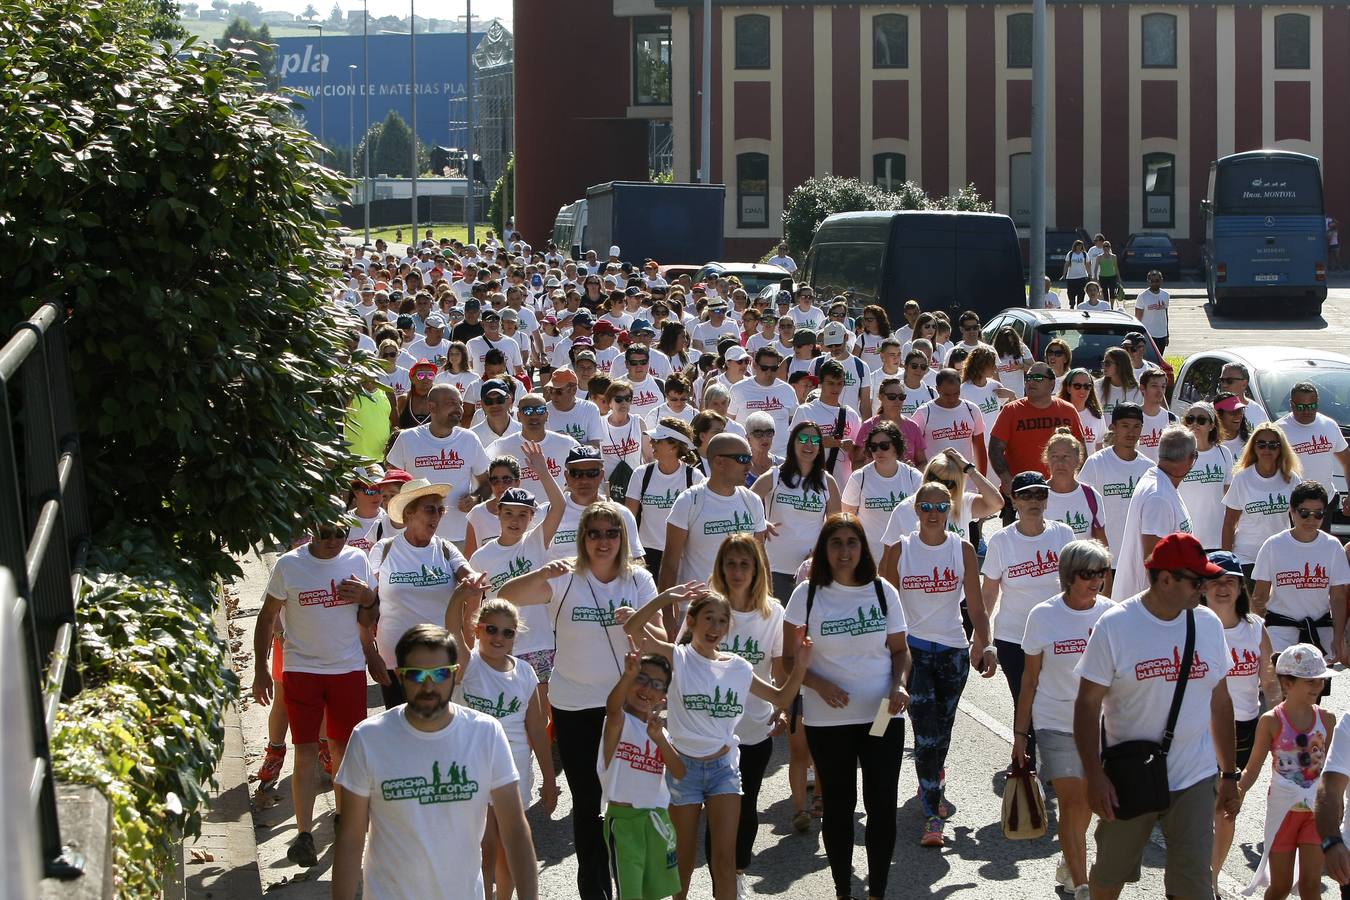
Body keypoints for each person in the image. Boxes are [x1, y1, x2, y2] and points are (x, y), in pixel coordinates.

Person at [498, 501, 662, 900]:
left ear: (623, 537)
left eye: (612, 533)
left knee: (626, 805)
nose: (603, 541)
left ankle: (633, 890)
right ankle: (594, 892)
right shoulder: (565, 576)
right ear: (582, 537)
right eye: (594, 533)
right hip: (574, 707)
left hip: (629, 708)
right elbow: (505, 596)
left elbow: (660, 643)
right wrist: (541, 572)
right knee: (588, 805)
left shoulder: (638, 580)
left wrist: (636, 623)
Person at [1072, 533, 1239, 900]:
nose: (1204, 589)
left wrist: (1228, 773)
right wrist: (1095, 776)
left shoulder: (1207, 624)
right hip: (1130, 775)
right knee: (1110, 878)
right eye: (1197, 581)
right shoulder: (1116, 625)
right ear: (1165, 579)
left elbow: (1220, 701)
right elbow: (1086, 706)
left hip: (1195, 776)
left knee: (1193, 888)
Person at [622, 586, 810, 900]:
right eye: (708, 619)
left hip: (724, 768)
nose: (715, 627)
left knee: (725, 860)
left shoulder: (738, 667)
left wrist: (801, 664)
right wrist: (668, 598)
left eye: (722, 621)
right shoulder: (678, 657)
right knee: (681, 861)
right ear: (692, 622)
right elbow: (632, 628)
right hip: (684, 769)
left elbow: (781, 697)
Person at [331, 624, 537, 900]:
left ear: (455, 674)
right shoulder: (369, 738)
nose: (428, 686)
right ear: (400, 677)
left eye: (439, 674)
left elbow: (514, 829)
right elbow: (351, 837)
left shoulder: (485, 733)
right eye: (417, 675)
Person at [783, 514, 912, 895]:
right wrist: (819, 684)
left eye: (851, 542)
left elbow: (901, 651)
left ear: (862, 547)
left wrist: (899, 685)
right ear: (824, 549)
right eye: (835, 542)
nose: (844, 551)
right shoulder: (806, 595)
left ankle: (877, 891)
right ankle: (843, 890)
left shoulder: (882, 590)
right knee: (839, 808)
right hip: (828, 721)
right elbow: (789, 662)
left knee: (881, 805)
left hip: (880, 716)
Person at [252, 514, 375, 868]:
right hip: (302, 669)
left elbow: (369, 617)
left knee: (343, 749)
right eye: (325, 533)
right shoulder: (290, 565)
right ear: (312, 532)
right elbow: (266, 615)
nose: (334, 540)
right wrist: (261, 670)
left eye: (341, 533)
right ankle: (304, 834)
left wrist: (367, 599)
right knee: (304, 750)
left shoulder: (357, 559)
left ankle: (342, 817)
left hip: (347, 669)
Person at [890, 483, 996, 847]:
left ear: (950, 511)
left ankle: (932, 778)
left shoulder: (962, 548)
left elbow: (976, 607)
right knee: (926, 733)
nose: (933, 513)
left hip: (952, 652)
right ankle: (933, 815)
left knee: (943, 731)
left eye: (940, 506)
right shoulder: (899, 549)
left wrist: (987, 644)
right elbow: (885, 605)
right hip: (914, 653)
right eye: (926, 506)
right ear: (915, 509)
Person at [1012, 539, 1115, 900]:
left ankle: (1071, 858)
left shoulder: (1112, 613)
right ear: (1068, 576)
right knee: (1072, 801)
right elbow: (1030, 679)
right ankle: (1082, 884)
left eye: (1100, 573)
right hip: (1054, 719)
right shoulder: (1042, 615)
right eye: (1087, 574)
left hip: (1102, 724)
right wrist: (1020, 734)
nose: (1095, 581)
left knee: (1088, 802)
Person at [443, 595, 558, 900]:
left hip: (513, 769)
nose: (499, 637)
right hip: (472, 769)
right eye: (491, 629)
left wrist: (549, 779)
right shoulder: (466, 665)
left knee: (509, 850)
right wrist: (460, 594)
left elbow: (537, 727)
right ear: (478, 630)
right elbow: (452, 626)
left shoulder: (525, 672)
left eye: (508, 632)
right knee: (485, 846)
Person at [699, 535, 790, 890]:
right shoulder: (706, 606)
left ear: (758, 570)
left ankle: (735, 873)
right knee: (716, 810)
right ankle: (718, 882)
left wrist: (783, 709)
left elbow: (779, 670)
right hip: (709, 729)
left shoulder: (773, 613)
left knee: (745, 803)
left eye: (745, 565)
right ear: (720, 568)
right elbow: (683, 659)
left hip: (754, 727)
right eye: (730, 564)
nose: (737, 572)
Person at [981, 471, 1075, 769]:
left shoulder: (1064, 535)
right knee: (1025, 697)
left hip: (1057, 636)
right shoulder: (1001, 541)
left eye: (1040, 495)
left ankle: (1053, 757)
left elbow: (1074, 587)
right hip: (1013, 637)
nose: (1034, 501)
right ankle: (1027, 761)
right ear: (1014, 500)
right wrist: (981, 640)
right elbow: (990, 591)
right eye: (1026, 495)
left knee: (1056, 698)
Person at [368, 479, 485, 707]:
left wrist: (472, 580)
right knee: (400, 728)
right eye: (429, 509)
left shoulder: (445, 548)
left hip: (440, 657)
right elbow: (371, 600)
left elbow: (467, 573)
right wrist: (370, 654)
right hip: (395, 658)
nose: (437, 515)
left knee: (439, 725)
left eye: (440, 510)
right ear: (409, 513)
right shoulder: (383, 549)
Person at [1205, 549, 1280, 898]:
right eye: (1216, 581)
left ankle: (1212, 877)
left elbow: (1269, 681)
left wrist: (1282, 723)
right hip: (1202, 730)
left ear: (1240, 588)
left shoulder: (1255, 628)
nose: (1224, 588)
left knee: (1228, 809)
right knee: (1198, 806)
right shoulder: (1193, 625)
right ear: (1203, 587)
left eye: (1231, 582)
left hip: (1245, 729)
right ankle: (1195, 873)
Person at [1237, 644, 1337, 899]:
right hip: (1282, 812)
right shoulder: (1271, 721)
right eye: (1309, 681)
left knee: (1311, 885)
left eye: (1320, 680)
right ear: (1287, 683)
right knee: (1280, 887)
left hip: (1316, 813)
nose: (1317, 686)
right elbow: (1254, 765)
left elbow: (1331, 770)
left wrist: (1337, 805)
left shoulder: (1327, 719)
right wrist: (1236, 792)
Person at [598, 644, 684, 900]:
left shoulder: (660, 732)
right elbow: (612, 708)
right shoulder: (618, 722)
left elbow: (680, 771)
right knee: (630, 894)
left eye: (657, 685)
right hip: (623, 823)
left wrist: (660, 740)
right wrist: (627, 674)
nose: (647, 689)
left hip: (655, 820)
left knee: (653, 893)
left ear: (663, 697)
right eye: (641, 679)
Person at [659, 433, 768, 631]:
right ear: (719, 462)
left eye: (750, 459)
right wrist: (667, 616)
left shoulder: (752, 501)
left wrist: (764, 605)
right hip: (698, 613)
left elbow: (760, 562)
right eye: (743, 459)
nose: (749, 466)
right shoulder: (688, 501)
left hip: (742, 613)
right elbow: (669, 565)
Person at [385, 384, 490, 551]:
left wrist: (476, 499)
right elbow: (390, 486)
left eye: (461, 404)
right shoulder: (407, 439)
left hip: (460, 536)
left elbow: (487, 484)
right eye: (452, 403)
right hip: (416, 538)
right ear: (432, 407)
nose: (459, 409)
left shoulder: (470, 439)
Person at [1252, 481, 1350, 659]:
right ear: (1292, 510)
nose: (1311, 520)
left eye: (1318, 514)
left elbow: (1338, 597)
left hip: (1320, 635)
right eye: (1305, 513)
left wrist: (1338, 637)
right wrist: (1253, 638)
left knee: (1317, 687)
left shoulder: (1333, 546)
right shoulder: (1273, 545)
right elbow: (1259, 596)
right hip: (1280, 636)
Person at [751, 421, 842, 602]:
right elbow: (743, 504)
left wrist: (821, 553)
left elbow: (836, 528)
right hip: (774, 569)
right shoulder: (774, 476)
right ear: (792, 443)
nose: (809, 444)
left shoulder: (828, 482)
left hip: (812, 571)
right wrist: (760, 522)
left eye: (815, 439)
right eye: (803, 438)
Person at [1109, 425, 1196, 600]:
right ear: (1191, 459)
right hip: (1149, 607)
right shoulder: (1159, 498)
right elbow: (1154, 561)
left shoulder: (1159, 483)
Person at [1078, 404, 1154, 577]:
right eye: (1125, 425)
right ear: (1113, 427)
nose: (1131, 432)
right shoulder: (1096, 463)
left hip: (1136, 558)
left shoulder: (1149, 468)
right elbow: (1081, 505)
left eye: (1136, 426)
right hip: (1102, 557)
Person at [989, 361, 1087, 494]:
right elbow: (995, 449)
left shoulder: (1068, 410)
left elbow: (1080, 449)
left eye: (1038, 378)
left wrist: (1073, 480)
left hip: (1059, 491)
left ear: (1052, 383)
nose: (1031, 382)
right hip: (1021, 492)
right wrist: (1006, 479)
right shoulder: (1011, 410)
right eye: (1028, 378)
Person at [1223, 423, 1304, 582]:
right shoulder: (1241, 478)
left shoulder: (1291, 479)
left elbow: (1300, 520)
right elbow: (1229, 523)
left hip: (1281, 556)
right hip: (1247, 557)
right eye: (1261, 444)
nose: (1267, 449)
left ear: (1281, 448)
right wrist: (1227, 562)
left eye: (1273, 445)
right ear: (1253, 447)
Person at [625, 419, 706, 575]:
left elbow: (703, 518)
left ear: (674, 446)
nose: (651, 443)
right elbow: (628, 517)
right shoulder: (641, 474)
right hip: (646, 554)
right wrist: (632, 554)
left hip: (682, 554)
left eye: (656, 440)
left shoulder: (695, 477)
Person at [842, 420, 925, 563]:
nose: (878, 451)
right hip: (868, 559)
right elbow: (848, 521)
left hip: (907, 558)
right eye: (873, 447)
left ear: (896, 447)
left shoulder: (914, 477)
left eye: (884, 446)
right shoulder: (859, 478)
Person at [1277, 381, 1350, 518]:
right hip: (1292, 506)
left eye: (1312, 406)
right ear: (1291, 404)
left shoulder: (1329, 425)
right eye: (1301, 407)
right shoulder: (1279, 430)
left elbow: (1347, 462)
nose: (1307, 411)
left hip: (1324, 503)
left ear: (1317, 402)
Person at [790, 358, 864, 485]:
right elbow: (793, 444)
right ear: (821, 382)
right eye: (831, 383)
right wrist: (823, 442)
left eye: (839, 383)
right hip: (810, 482)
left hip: (842, 484)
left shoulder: (851, 414)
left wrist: (853, 449)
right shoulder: (805, 411)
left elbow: (859, 453)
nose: (835, 388)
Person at [911, 368, 988, 481]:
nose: (952, 399)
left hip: (967, 484)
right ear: (937, 389)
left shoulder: (972, 410)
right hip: (936, 483)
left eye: (956, 393)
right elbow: (914, 448)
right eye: (947, 394)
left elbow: (980, 448)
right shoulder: (924, 413)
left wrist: (982, 481)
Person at [1178, 401, 1233, 551]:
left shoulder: (1223, 453)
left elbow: (1230, 497)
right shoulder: (1178, 454)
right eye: (1190, 419)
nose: (1195, 424)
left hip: (1216, 539)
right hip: (1186, 539)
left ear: (1212, 425)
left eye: (1201, 420)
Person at [728, 345, 798, 457]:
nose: (769, 373)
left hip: (781, 457)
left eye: (774, 368)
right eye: (764, 368)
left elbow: (794, 423)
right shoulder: (738, 389)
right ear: (755, 365)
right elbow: (729, 422)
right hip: (747, 456)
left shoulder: (787, 390)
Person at [546, 367, 603, 449]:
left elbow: (595, 446)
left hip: (582, 460)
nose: (553, 396)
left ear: (573, 390)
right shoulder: (544, 411)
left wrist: (569, 442)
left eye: (559, 392)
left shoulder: (590, 409)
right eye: (551, 390)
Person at [1058, 367, 1105, 452]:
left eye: (1087, 386)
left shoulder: (1097, 415)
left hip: (1090, 465)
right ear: (1068, 388)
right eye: (1077, 386)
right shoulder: (1058, 413)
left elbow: (1099, 447)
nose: (1082, 390)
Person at [1095, 347, 1142, 423]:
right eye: (1103, 363)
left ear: (1120, 365)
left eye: (1107, 363)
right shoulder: (1097, 386)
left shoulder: (1136, 390)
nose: (1104, 367)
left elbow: (1137, 418)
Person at [1219, 362, 1269, 427]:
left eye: (1229, 381)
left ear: (1244, 384)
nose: (1224, 385)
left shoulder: (1258, 411)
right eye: (1222, 380)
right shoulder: (1212, 411)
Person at [1132, 270, 1171, 354]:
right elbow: (1137, 319)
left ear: (1161, 280)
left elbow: (1165, 315)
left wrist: (1167, 334)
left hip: (1161, 335)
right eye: (1152, 281)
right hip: (1147, 336)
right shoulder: (1142, 296)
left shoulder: (1166, 295)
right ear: (1148, 281)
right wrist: (1138, 336)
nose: (1154, 283)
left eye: (1157, 281)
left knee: (1159, 361)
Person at [1216, 391, 1256, 459]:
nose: (1238, 415)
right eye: (1232, 412)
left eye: (1240, 410)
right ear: (1218, 415)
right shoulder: (1208, 445)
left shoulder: (1251, 441)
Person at [1062, 239, 1091, 307]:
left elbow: (1087, 265)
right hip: (1071, 277)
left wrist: (1090, 274)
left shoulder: (1084, 254)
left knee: (1081, 293)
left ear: (1082, 246)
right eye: (1077, 245)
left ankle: (1079, 306)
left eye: (1080, 246)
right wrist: (1064, 274)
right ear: (1075, 246)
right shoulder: (1070, 254)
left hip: (1082, 277)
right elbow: (1066, 264)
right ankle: (1072, 304)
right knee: (1070, 293)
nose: (1079, 247)